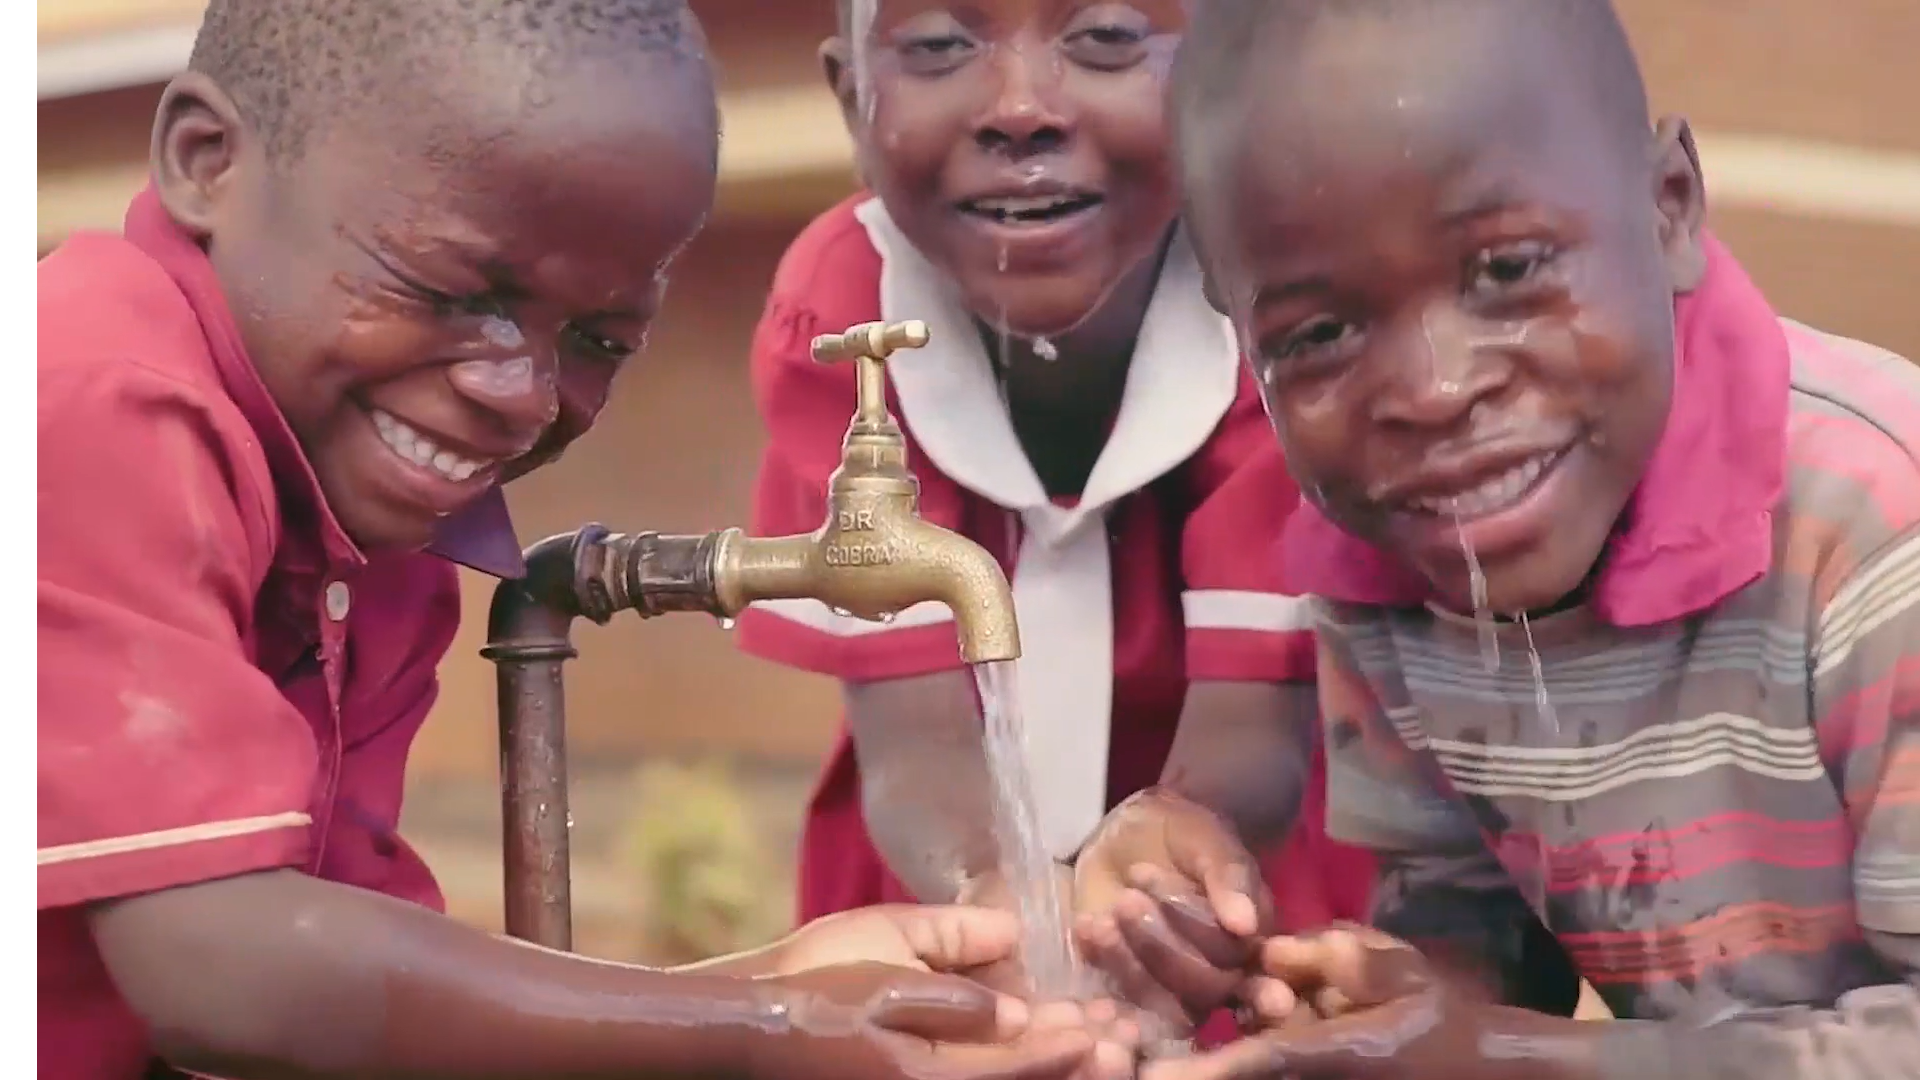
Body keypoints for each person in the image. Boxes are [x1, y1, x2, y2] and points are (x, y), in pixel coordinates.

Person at [36, 2, 1136, 1079]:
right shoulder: (92, 397)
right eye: (451, 290)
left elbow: (339, 1005)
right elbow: (222, 971)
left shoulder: (373, 528)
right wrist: (758, 1029)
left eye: (602, 338)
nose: (520, 393)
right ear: (206, 158)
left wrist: (771, 984)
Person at [1073, 0, 1920, 1076]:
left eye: (1510, 269)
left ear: (1669, 208)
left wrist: (1511, 1059)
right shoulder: (1380, 563)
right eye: (1321, 333)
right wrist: (1380, 1011)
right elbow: (1468, 908)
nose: (1433, 393)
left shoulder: (1875, 534)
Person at [733, 0, 1375, 1040]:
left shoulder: (1293, 302)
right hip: (934, 870)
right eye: (941, 45)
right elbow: (913, 752)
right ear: (851, 94)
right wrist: (998, 898)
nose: (1021, 109)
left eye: (1109, 37)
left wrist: (1165, 870)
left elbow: (1252, 735)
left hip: (1228, 879)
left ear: (1228, 80)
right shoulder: (847, 311)